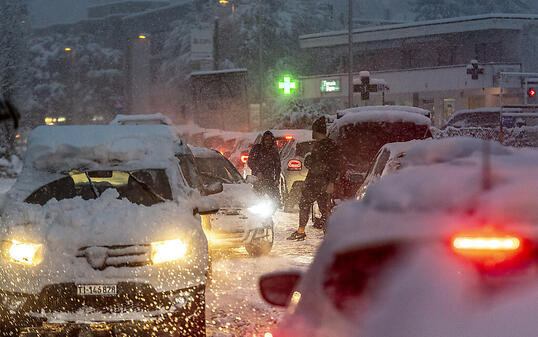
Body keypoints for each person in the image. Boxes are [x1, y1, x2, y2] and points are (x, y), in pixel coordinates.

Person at [287, 117, 339, 241]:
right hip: (318, 181)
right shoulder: (325, 145)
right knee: (322, 208)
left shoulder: (326, 146)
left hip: (318, 181)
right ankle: (327, 234)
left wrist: (331, 181)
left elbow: (333, 165)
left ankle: (303, 231)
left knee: (313, 206)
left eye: (314, 130)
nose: (312, 133)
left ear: (317, 131)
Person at [247, 131, 281, 204]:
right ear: (263, 140)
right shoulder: (257, 149)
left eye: (270, 140)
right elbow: (250, 162)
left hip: (270, 179)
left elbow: (277, 166)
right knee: (256, 200)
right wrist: (257, 172)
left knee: (276, 201)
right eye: (266, 139)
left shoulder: (274, 151)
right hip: (258, 180)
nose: (268, 142)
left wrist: (277, 178)